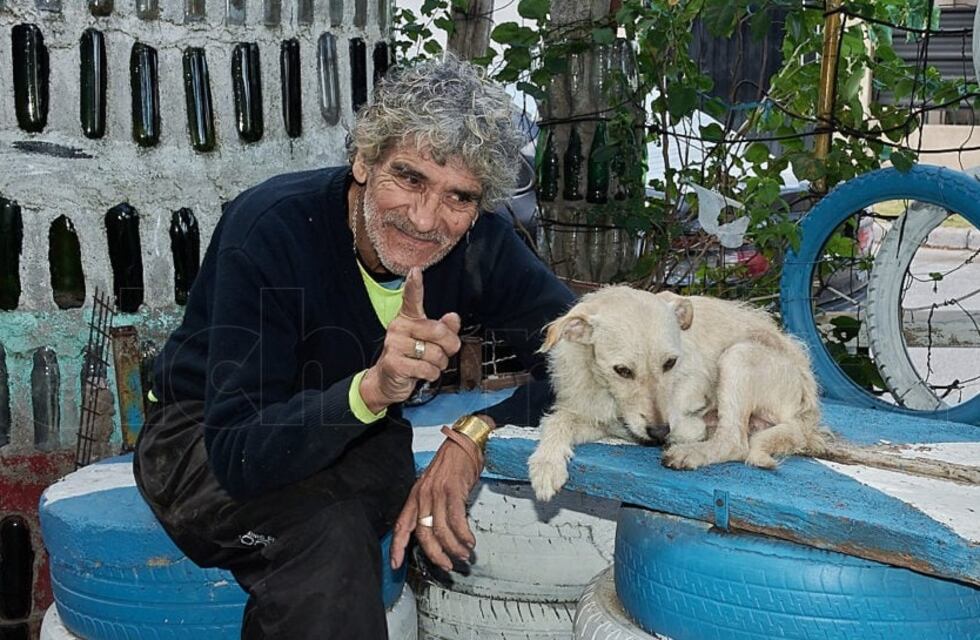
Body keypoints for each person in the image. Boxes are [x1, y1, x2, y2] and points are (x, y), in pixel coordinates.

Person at [133, 54, 575, 639]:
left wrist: (475, 436)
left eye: (459, 197)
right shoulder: (271, 229)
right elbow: (241, 453)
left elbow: (585, 366)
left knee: (352, 516)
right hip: (206, 436)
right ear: (365, 160)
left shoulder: (480, 246)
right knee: (328, 540)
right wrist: (373, 389)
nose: (426, 219)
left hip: (359, 434)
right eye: (409, 178)